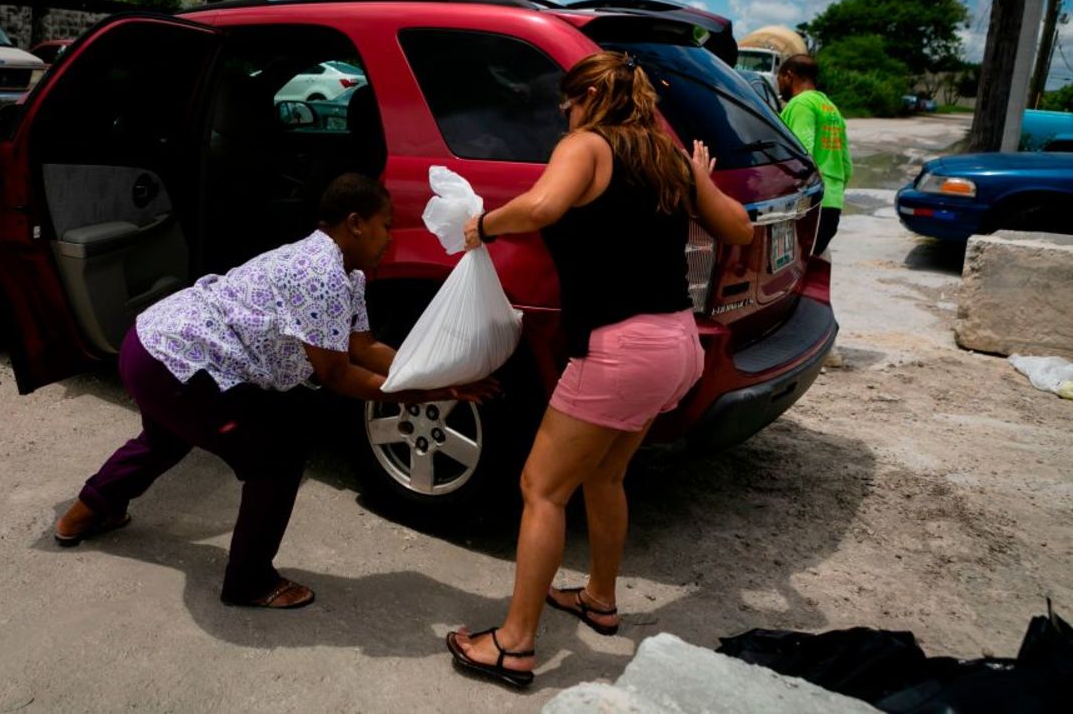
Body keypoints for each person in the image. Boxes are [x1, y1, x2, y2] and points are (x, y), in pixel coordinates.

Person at [444, 51, 754, 688]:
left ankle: (514, 644)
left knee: (541, 488)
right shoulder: (665, 154)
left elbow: (541, 207)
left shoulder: (585, 145)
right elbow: (739, 229)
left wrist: (482, 225)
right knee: (607, 475)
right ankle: (600, 599)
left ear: (588, 98)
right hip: (676, 344)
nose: (564, 111)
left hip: (622, 348)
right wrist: (702, 180)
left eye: (568, 100)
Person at [55, 173, 495, 610]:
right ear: (356, 223)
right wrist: (420, 396)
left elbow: (364, 347)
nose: (389, 238)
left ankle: (87, 512)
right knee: (274, 458)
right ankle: (249, 581)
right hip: (174, 363)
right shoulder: (321, 274)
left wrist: (436, 376)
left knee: (166, 438)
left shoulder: (347, 274)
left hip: (152, 345)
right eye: (386, 225)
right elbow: (337, 375)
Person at [777, 54, 851, 255]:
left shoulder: (801, 104)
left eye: (779, 78)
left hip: (811, 205)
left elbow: (803, 154)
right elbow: (847, 166)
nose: (779, 85)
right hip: (832, 204)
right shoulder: (831, 108)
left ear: (789, 75)